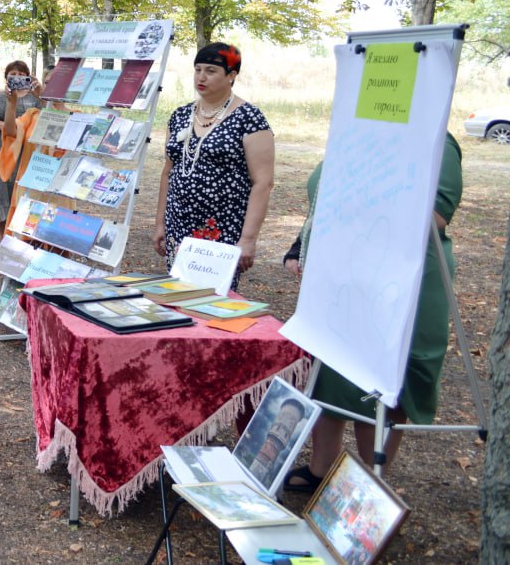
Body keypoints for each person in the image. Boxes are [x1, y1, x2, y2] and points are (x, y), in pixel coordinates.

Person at [282, 133, 462, 493]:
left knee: (378, 381)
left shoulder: (435, 138)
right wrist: (301, 243)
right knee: (330, 369)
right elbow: (322, 197)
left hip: (400, 279)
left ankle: (368, 483)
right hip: (344, 273)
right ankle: (323, 467)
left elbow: (436, 216)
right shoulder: (356, 127)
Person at [153, 42, 273, 284]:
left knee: (211, 300)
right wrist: (160, 223)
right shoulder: (180, 115)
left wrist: (248, 238)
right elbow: (168, 172)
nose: (201, 77)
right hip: (179, 222)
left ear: (231, 75)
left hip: (221, 226)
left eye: (211, 70)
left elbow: (263, 182)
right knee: (177, 292)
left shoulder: (249, 118)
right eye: (197, 69)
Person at [0, 60, 43, 248]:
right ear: (6, 76)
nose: (16, 77)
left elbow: (47, 117)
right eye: (12, 74)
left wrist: (42, 93)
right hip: (1, 148)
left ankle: (24, 234)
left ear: (28, 76)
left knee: (24, 188)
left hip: (27, 151)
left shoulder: (36, 97)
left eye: (20, 74)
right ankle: (0, 236)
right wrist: (11, 128)